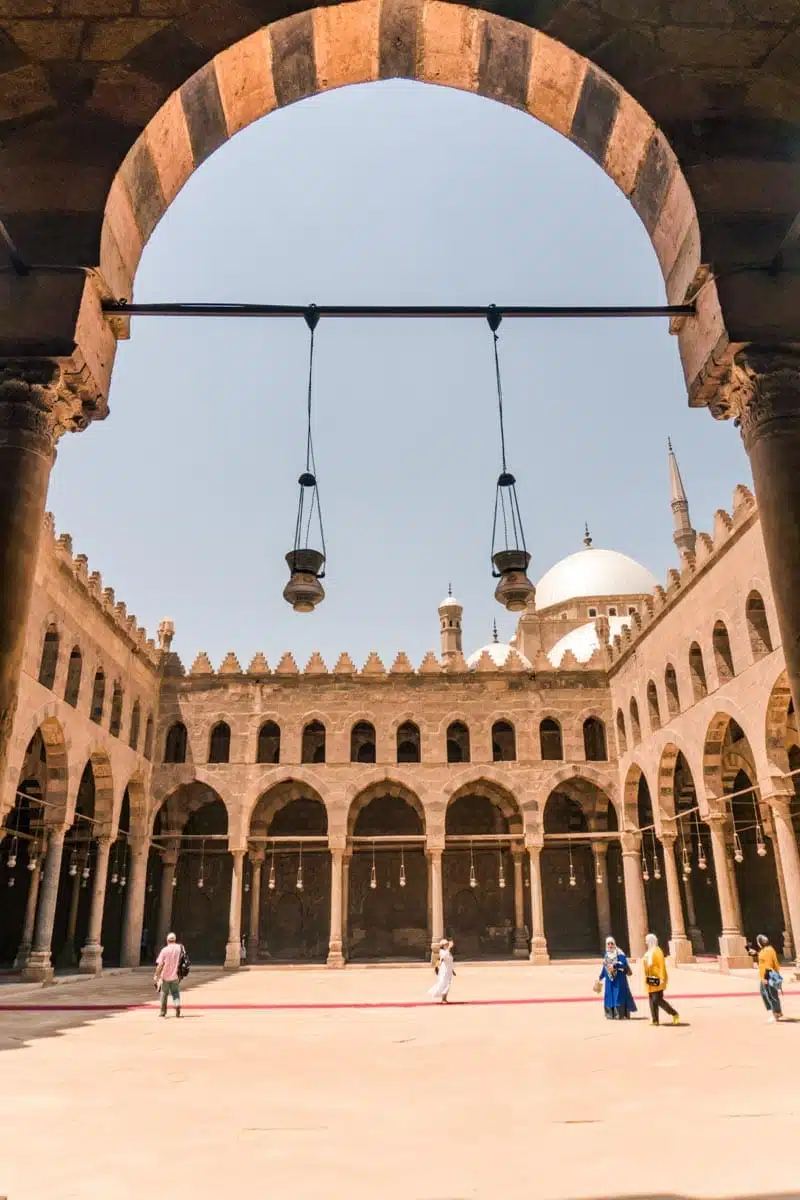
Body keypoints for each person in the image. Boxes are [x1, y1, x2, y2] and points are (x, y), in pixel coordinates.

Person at [643, 933, 679, 1026]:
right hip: (650, 979)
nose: (646, 942)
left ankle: (674, 1013)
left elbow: (661, 965)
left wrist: (662, 978)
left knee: (657, 999)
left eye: (647, 940)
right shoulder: (648, 952)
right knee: (651, 999)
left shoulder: (657, 951)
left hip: (658, 978)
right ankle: (655, 1020)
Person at [598, 935, 637, 1019]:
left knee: (618, 995)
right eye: (608, 944)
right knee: (609, 995)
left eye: (612, 943)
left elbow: (624, 964)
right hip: (609, 980)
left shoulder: (619, 953)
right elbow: (605, 967)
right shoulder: (606, 954)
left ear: (614, 943)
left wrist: (615, 966)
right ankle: (610, 1014)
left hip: (619, 978)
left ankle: (620, 1014)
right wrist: (600, 977)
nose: (610, 945)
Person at [154, 932, 184, 1018]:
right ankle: (177, 1004)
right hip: (175, 976)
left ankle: (163, 1012)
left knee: (164, 994)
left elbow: (160, 965)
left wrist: (156, 975)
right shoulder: (179, 948)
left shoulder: (164, 950)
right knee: (175, 993)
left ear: (167, 940)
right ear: (175, 940)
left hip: (165, 976)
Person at [756, 933, 783, 1022]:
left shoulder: (766, 951)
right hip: (766, 974)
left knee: (771, 994)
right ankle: (775, 1011)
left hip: (768, 975)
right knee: (764, 993)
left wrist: (765, 978)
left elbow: (768, 965)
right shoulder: (767, 950)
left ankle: (776, 1014)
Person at [428, 938, 455, 1003]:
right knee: (443, 983)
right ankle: (443, 998)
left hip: (448, 970)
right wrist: (449, 948)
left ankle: (444, 998)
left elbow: (449, 961)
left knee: (447, 984)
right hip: (444, 970)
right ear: (443, 945)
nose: (447, 945)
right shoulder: (442, 951)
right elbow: (444, 957)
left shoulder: (448, 951)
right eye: (446, 944)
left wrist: (452, 970)